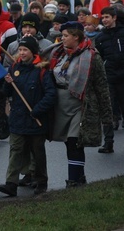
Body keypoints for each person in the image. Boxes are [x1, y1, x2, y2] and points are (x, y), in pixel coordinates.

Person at [48, 21, 113, 187]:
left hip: (80, 103)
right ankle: (80, 177)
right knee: (67, 141)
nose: (62, 39)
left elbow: (101, 85)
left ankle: (74, 179)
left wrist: (107, 115)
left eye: (65, 36)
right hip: (61, 104)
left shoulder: (92, 56)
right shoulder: (58, 53)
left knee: (74, 141)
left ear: (76, 37)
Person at [0, 36, 56, 197]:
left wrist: (37, 110)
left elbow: (51, 95)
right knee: (15, 150)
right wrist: (8, 83)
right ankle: (11, 183)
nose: (22, 53)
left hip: (35, 120)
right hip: (17, 118)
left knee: (37, 152)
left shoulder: (42, 71)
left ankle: (41, 181)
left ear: (33, 52)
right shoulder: (14, 68)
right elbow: (7, 93)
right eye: (20, 50)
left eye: (25, 50)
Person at [94, 6, 124, 153]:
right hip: (109, 77)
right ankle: (108, 142)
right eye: (103, 17)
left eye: (107, 17)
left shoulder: (122, 33)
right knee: (108, 109)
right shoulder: (100, 37)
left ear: (114, 18)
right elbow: (98, 58)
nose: (105, 20)